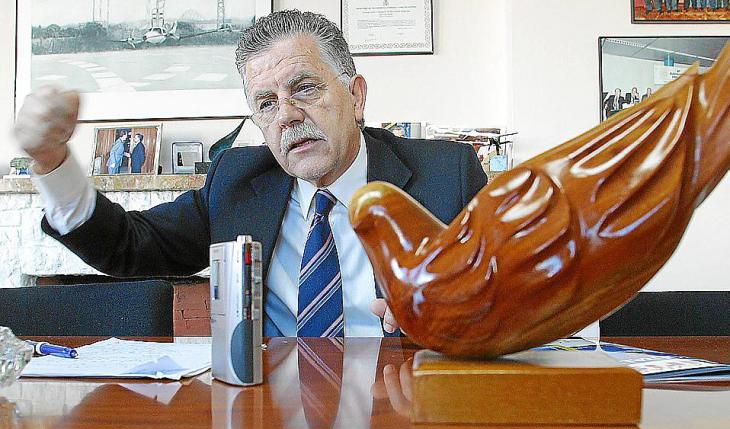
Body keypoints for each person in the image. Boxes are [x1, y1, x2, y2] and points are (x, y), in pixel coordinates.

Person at [13, 10, 487, 338]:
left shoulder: (447, 175)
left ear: (356, 96)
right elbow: (128, 246)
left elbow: (506, 299)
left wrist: (455, 319)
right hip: (271, 418)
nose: (287, 115)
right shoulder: (237, 181)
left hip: (401, 407)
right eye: (266, 103)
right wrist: (53, 162)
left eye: (305, 88)